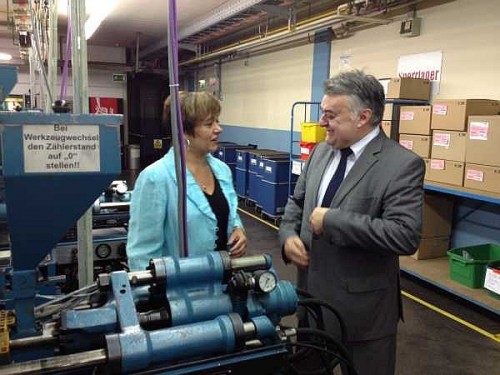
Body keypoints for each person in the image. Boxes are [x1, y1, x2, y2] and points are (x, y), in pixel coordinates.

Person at [279, 70, 425, 375]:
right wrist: (288, 235)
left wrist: (333, 221)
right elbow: (297, 202)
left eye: (331, 115)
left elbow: (404, 235)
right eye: (323, 113)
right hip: (313, 305)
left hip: (364, 316)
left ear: (363, 117)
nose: (322, 122)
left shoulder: (401, 165)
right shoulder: (320, 152)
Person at [127, 91, 247, 271]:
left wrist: (238, 228)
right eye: (209, 124)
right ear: (183, 132)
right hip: (180, 293)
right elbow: (142, 255)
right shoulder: (156, 178)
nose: (218, 129)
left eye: (217, 121)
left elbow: (229, 212)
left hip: (223, 284)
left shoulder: (222, 171)